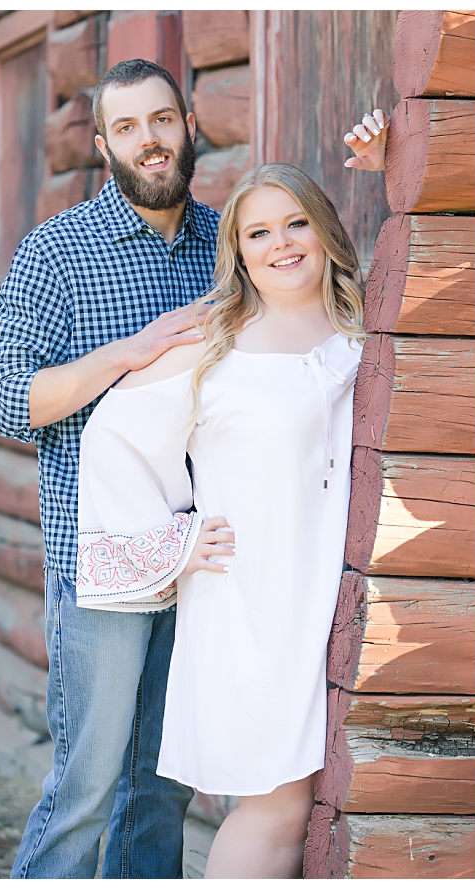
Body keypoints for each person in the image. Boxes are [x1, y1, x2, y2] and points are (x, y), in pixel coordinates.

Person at [0, 55, 387, 878]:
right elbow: (4, 399)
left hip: (223, 561)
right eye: (126, 127)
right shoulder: (58, 251)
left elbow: (325, 310)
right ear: (102, 144)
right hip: (108, 553)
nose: (149, 141)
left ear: (190, 127)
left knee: (160, 786)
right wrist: (122, 357)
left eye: (161, 120)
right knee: (89, 780)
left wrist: (392, 168)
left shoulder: (226, 239)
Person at [76, 161, 368, 878]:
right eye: (258, 232)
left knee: (308, 796)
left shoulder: (368, 327)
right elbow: (111, 435)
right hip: (254, 600)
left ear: (324, 230)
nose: (281, 244)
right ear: (237, 251)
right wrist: (171, 542)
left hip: (336, 596)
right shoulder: (216, 345)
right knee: (276, 802)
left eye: (295, 222)